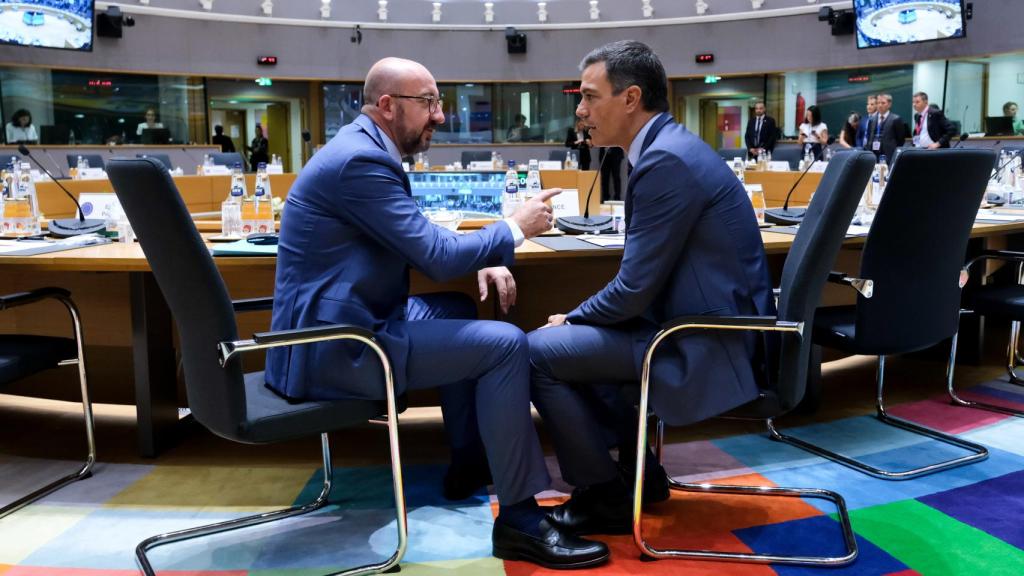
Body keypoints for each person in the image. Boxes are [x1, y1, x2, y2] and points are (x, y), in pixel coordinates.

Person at [267, 56, 609, 569]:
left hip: (336, 324)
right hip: (337, 347)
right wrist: (515, 228)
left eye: (438, 102)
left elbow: (417, 238)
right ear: (387, 106)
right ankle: (520, 521)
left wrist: (486, 255)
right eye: (427, 103)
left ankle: (469, 461)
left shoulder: (361, 148)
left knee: (451, 306)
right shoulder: (362, 162)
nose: (441, 116)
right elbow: (435, 254)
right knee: (505, 344)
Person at [528, 40, 774, 538]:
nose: (579, 110)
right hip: (700, 327)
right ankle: (640, 475)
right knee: (577, 349)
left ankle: (603, 495)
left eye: (590, 97)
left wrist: (571, 318)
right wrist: (581, 320)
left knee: (537, 352)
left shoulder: (665, 162)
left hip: (704, 341)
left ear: (630, 98)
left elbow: (633, 290)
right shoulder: (668, 148)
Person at [863, 93, 905, 164]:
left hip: (889, 155)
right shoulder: (872, 119)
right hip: (874, 155)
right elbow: (869, 137)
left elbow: (900, 140)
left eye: (883, 103)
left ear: (889, 104)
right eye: (878, 103)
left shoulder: (896, 119)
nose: (880, 105)